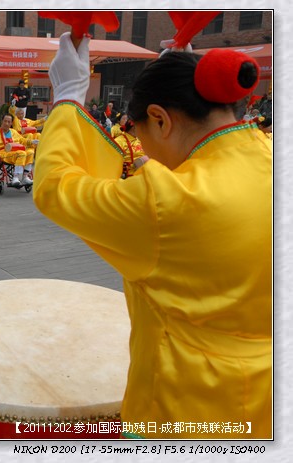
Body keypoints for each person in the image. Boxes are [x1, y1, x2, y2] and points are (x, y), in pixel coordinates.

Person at [35, 33, 271, 439]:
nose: (141, 146)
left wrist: (69, 97)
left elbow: (54, 187)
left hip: (181, 412)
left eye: (139, 130)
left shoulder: (166, 200)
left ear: (160, 119)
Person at [0, 113, 36, 187]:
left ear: (11, 123)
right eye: (5, 121)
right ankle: (15, 177)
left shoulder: (13, 132)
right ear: (2, 121)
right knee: (22, 153)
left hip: (15, 151)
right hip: (3, 153)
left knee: (30, 152)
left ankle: (25, 177)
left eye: (9, 122)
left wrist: (32, 142)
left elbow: (22, 140)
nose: (6, 123)